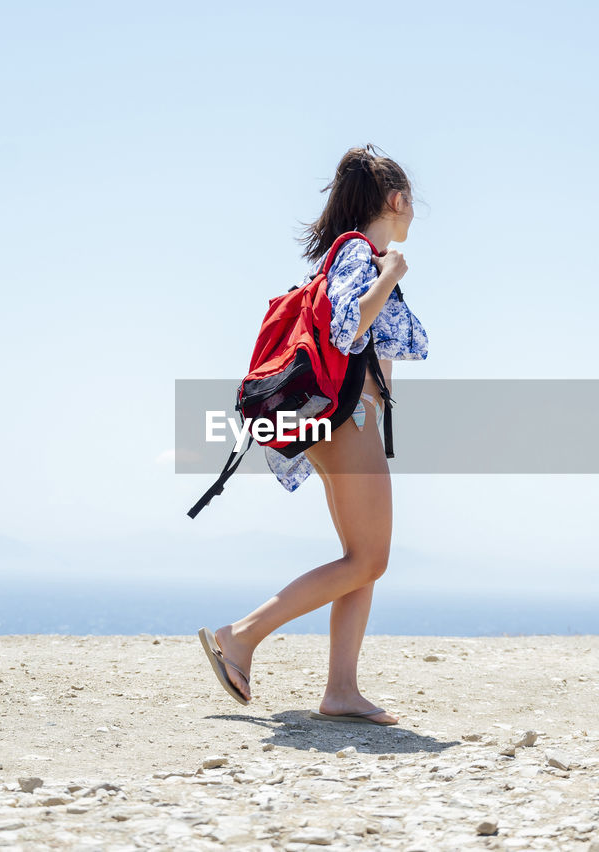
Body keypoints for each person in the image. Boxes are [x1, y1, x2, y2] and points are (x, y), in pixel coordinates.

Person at [198, 145, 428, 726]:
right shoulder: (361, 254)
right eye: (411, 203)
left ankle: (342, 690)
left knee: (361, 559)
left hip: (343, 422)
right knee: (370, 558)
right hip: (349, 423)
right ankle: (241, 636)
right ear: (398, 201)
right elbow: (351, 325)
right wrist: (392, 275)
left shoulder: (344, 254)